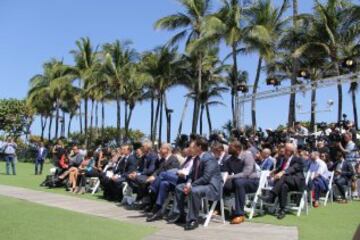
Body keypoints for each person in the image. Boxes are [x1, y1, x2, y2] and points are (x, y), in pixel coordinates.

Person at [167, 138, 223, 231]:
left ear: (199, 147)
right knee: (179, 187)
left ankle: (193, 220)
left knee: (194, 190)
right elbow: (192, 175)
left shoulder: (209, 158)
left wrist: (191, 186)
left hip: (212, 187)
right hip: (202, 185)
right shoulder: (197, 158)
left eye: (192, 147)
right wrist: (188, 183)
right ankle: (180, 215)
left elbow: (206, 178)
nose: (190, 149)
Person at [146, 146, 194, 222]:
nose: (188, 149)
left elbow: (191, 173)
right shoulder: (187, 159)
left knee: (162, 174)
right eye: (188, 148)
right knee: (163, 183)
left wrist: (182, 173)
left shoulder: (195, 159)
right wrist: (179, 171)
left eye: (190, 148)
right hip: (179, 177)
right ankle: (159, 211)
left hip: (186, 180)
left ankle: (152, 189)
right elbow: (181, 169)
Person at [260, 143, 305, 219]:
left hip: (296, 182)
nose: (284, 150)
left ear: (291, 151)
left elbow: (293, 169)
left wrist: (282, 172)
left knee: (284, 176)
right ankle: (282, 210)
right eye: (284, 148)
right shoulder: (283, 159)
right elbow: (280, 168)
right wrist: (274, 171)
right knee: (283, 186)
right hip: (286, 182)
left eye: (286, 149)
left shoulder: (298, 159)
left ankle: (271, 196)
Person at [222, 141, 259, 224]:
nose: (229, 148)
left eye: (231, 147)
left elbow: (246, 173)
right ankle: (218, 209)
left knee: (239, 182)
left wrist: (230, 177)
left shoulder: (247, 155)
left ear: (238, 149)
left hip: (252, 182)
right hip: (237, 181)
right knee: (222, 183)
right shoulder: (229, 159)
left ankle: (239, 214)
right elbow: (224, 171)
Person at [128, 140, 158, 207]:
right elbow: (140, 169)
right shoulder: (143, 157)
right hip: (143, 175)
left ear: (148, 147)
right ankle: (141, 198)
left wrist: (138, 174)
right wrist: (135, 172)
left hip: (150, 176)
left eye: (143, 146)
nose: (141, 148)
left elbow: (151, 170)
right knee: (130, 177)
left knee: (139, 179)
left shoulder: (153, 156)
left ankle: (143, 199)